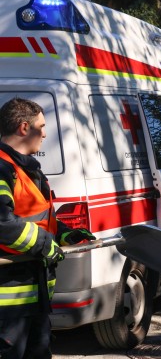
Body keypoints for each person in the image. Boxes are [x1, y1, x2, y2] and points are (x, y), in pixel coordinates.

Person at [0, 98, 95, 358]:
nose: (44, 133)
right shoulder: (3, 168)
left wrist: (62, 233)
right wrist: (43, 243)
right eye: (41, 126)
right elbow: (2, 223)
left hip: (33, 295)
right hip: (9, 302)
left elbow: (34, 217)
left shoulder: (25, 169)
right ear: (23, 128)